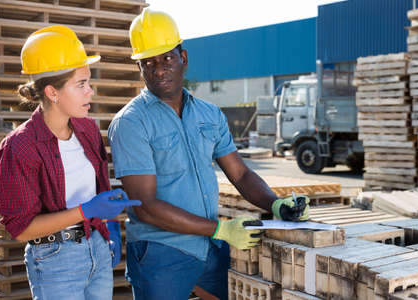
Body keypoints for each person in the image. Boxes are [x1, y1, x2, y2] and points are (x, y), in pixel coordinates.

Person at [108, 8, 309, 300]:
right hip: (161, 254)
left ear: (183, 58)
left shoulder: (209, 114)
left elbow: (239, 173)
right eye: (148, 62)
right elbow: (146, 206)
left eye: (166, 57)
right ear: (139, 67)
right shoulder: (131, 123)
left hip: (208, 248)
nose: (159, 69)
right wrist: (221, 229)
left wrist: (276, 205)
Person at [0, 25, 141, 300]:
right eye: (81, 84)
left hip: (96, 246)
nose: (91, 92)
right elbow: (21, 228)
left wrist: (107, 224)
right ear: (53, 92)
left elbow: (97, 192)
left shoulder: (87, 131)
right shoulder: (20, 147)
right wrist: (86, 210)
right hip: (55, 260)